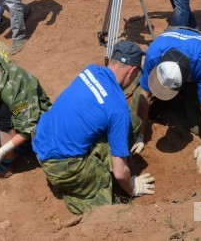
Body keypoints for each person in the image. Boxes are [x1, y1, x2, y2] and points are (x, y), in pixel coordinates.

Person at [32, 41, 155, 214]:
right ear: (133, 72)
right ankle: (74, 191)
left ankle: (84, 167)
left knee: (127, 123)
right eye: (135, 75)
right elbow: (120, 173)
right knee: (104, 196)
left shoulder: (90, 71)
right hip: (60, 166)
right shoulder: (117, 108)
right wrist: (132, 188)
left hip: (41, 140)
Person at [134, 28, 201, 173]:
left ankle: (194, 93)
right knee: (135, 101)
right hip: (170, 42)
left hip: (195, 65)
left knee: (197, 125)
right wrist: (139, 134)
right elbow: (145, 94)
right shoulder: (155, 53)